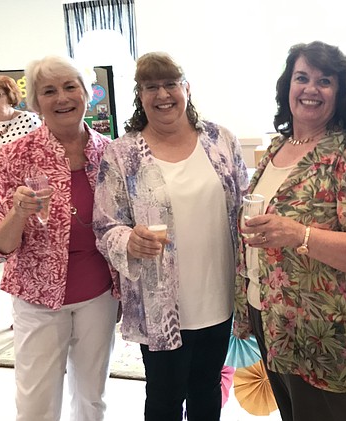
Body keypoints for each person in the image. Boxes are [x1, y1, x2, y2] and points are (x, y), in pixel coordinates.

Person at [232, 41, 346, 421]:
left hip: (334, 335)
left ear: (340, 95)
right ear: (287, 86)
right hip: (274, 320)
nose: (310, 89)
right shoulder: (278, 148)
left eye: (324, 81)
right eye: (302, 78)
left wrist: (299, 235)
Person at [93, 52, 248, 421]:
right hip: (159, 304)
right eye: (151, 87)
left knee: (208, 388)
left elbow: (244, 202)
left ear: (186, 88)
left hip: (218, 296)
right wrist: (128, 240)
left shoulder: (220, 140)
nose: (162, 94)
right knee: (164, 397)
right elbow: (105, 225)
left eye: (170, 84)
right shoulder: (123, 154)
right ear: (140, 95)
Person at [0, 56, 120, 421]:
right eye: (49, 91)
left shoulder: (110, 152)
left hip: (98, 296)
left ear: (86, 93)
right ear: (35, 103)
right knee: (37, 404)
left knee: (92, 399)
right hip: (38, 299)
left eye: (70, 87)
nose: (62, 98)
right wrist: (18, 213)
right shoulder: (14, 155)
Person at [0, 75, 42, 173]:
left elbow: (43, 157)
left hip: (27, 183)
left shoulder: (28, 120)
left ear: (10, 97)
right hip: (0, 184)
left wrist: (8, 158)